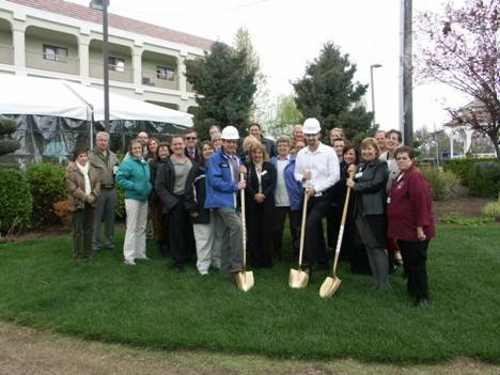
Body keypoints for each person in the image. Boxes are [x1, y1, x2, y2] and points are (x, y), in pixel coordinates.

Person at [387, 146, 435, 306]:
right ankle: (413, 289)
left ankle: (422, 297)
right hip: (403, 231)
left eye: (404, 158)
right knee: (409, 262)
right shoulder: (401, 176)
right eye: (398, 158)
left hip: (415, 230)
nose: (401, 161)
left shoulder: (415, 177)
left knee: (417, 263)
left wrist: (420, 227)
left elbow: (421, 203)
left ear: (412, 160)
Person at [294, 118, 340, 273]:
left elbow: (335, 176)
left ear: (319, 134)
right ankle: (323, 261)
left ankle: (307, 263)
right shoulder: (301, 153)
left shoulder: (329, 152)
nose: (311, 138)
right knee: (313, 228)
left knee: (310, 226)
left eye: (314, 135)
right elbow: (296, 174)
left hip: (323, 196)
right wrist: (302, 177)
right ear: (304, 136)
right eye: (308, 135)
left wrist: (317, 187)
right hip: (307, 196)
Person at [347, 137, 390, 289]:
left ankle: (384, 283)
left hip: (374, 212)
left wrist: (355, 186)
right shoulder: (362, 167)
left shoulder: (381, 165)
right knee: (368, 246)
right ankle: (376, 281)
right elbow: (356, 177)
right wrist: (352, 172)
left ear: (376, 150)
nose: (366, 152)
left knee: (377, 247)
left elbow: (376, 184)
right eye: (364, 149)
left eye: (369, 149)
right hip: (361, 212)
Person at [205, 125, 246, 276]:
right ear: (222, 141)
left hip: (233, 200)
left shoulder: (236, 158)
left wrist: (243, 174)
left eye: (234, 142)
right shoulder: (214, 159)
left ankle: (225, 268)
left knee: (227, 233)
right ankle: (236, 264)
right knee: (237, 227)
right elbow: (215, 181)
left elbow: (238, 179)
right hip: (220, 201)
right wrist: (235, 186)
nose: (232, 145)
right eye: (228, 142)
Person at [156, 135, 197, 272]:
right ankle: (177, 261)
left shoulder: (191, 162)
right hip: (174, 201)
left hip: (188, 200)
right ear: (171, 147)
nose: (178, 146)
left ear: (184, 144)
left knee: (188, 230)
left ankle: (187, 257)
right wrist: (171, 202)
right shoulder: (166, 164)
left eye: (180, 144)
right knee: (176, 232)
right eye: (175, 145)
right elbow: (159, 186)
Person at [116, 139, 152, 266]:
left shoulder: (145, 163)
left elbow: (147, 180)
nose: (137, 150)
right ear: (131, 150)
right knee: (131, 227)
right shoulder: (127, 163)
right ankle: (129, 256)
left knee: (142, 227)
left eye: (139, 148)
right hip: (132, 198)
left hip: (144, 198)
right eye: (135, 148)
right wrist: (134, 186)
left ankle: (140, 253)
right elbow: (119, 179)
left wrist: (148, 186)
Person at [185, 141, 217, 275]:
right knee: (203, 239)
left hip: (217, 210)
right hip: (201, 210)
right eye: (205, 149)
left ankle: (216, 263)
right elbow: (188, 190)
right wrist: (193, 209)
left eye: (210, 149)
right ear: (201, 153)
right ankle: (203, 267)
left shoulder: (219, 168)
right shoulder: (197, 169)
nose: (208, 151)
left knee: (217, 238)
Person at [65, 147, 101, 260]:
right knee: (77, 231)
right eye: (81, 156)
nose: (84, 158)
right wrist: (86, 197)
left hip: (92, 203)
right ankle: (77, 254)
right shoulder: (70, 170)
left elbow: (98, 183)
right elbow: (72, 188)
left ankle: (88, 253)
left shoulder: (93, 168)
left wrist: (94, 195)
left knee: (89, 229)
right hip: (78, 204)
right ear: (76, 157)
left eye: (85, 155)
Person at [245, 142, 277, 268]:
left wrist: (263, 194)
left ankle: (267, 260)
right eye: (254, 152)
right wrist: (255, 195)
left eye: (259, 152)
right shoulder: (246, 167)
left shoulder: (269, 166)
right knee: (253, 230)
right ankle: (255, 260)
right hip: (252, 204)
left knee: (266, 230)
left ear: (263, 154)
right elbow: (246, 184)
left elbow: (273, 184)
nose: (257, 155)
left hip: (267, 202)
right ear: (251, 154)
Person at [89, 131, 119, 253]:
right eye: (100, 140)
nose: (103, 142)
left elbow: (117, 170)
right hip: (98, 191)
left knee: (110, 218)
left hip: (111, 190)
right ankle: (94, 243)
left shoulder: (113, 155)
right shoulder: (90, 156)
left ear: (108, 142)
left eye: (105, 140)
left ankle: (109, 242)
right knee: (96, 218)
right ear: (96, 141)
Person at [342, 144, 370, 274]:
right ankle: (352, 261)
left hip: (357, 204)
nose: (348, 156)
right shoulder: (342, 167)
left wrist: (353, 174)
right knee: (349, 233)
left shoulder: (360, 168)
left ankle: (362, 264)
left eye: (351, 154)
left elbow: (362, 183)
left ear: (356, 156)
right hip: (343, 205)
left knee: (359, 234)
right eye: (346, 154)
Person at [271, 136, 293, 261]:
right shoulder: (272, 161)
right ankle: (276, 253)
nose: (282, 148)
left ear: (289, 147)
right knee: (277, 229)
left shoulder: (294, 161)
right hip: (277, 200)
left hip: (292, 201)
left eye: (285, 145)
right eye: (280, 146)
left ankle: (297, 253)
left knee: (296, 229)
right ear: (277, 148)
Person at [283, 139, 305, 259]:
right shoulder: (291, 165)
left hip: (308, 200)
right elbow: (293, 186)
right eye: (298, 147)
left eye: (302, 146)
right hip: (296, 202)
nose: (300, 149)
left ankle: (307, 251)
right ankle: (297, 253)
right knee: (296, 228)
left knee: (306, 228)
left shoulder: (308, 162)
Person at [149, 142, 170, 256]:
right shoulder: (153, 163)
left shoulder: (172, 162)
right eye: (161, 150)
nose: (163, 152)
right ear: (157, 152)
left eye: (165, 150)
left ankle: (169, 243)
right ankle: (161, 244)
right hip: (157, 198)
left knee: (169, 223)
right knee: (159, 222)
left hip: (170, 198)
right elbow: (151, 180)